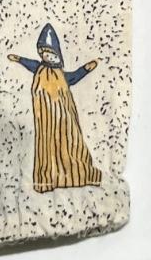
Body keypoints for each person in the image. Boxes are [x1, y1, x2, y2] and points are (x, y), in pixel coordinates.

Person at [9, 25, 101, 193]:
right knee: (48, 146)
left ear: (58, 55)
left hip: (64, 117)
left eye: (51, 54)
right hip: (46, 119)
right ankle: (49, 177)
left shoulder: (61, 74)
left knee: (69, 143)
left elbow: (74, 76)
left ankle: (74, 174)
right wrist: (19, 59)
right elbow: (31, 64)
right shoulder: (40, 69)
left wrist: (86, 68)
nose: (48, 57)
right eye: (44, 53)